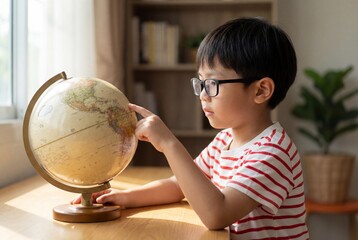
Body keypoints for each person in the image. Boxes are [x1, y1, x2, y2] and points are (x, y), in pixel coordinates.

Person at [72, 17, 309, 239]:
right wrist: (124, 197)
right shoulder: (225, 139)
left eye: (213, 83)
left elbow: (217, 214)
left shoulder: (273, 152)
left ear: (261, 90)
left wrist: (169, 143)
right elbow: (179, 185)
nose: (203, 95)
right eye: (201, 83)